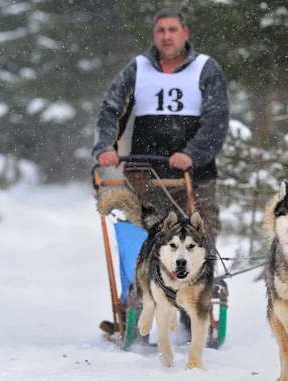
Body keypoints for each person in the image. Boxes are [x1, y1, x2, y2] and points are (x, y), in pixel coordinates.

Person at [92, 8, 229, 338]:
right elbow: (112, 110)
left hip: (195, 175)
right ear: (155, 35)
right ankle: (138, 304)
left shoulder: (205, 69)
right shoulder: (137, 69)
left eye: (172, 29)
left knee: (197, 241)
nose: (166, 36)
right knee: (144, 241)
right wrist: (105, 148)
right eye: (160, 31)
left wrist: (192, 154)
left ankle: (192, 312)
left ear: (185, 32)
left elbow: (216, 120)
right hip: (145, 174)